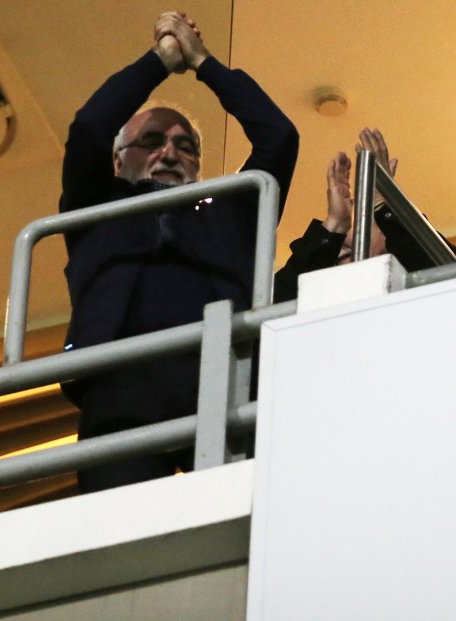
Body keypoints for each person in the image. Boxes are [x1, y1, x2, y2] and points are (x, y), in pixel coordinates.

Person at [59, 12, 299, 492]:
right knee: (120, 525)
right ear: (117, 160)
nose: (169, 154)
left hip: (222, 383)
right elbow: (89, 128)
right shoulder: (96, 206)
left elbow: (279, 137)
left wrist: (204, 63)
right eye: (151, 141)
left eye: (185, 147)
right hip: (120, 388)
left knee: (235, 520)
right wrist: (162, 60)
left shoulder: (229, 213)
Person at [275, 128, 454, 302]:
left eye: (348, 252)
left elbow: (446, 273)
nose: (338, 249)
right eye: (338, 253)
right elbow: (277, 304)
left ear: (387, 245)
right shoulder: (325, 303)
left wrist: (382, 204)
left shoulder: (418, 295)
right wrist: (334, 225)